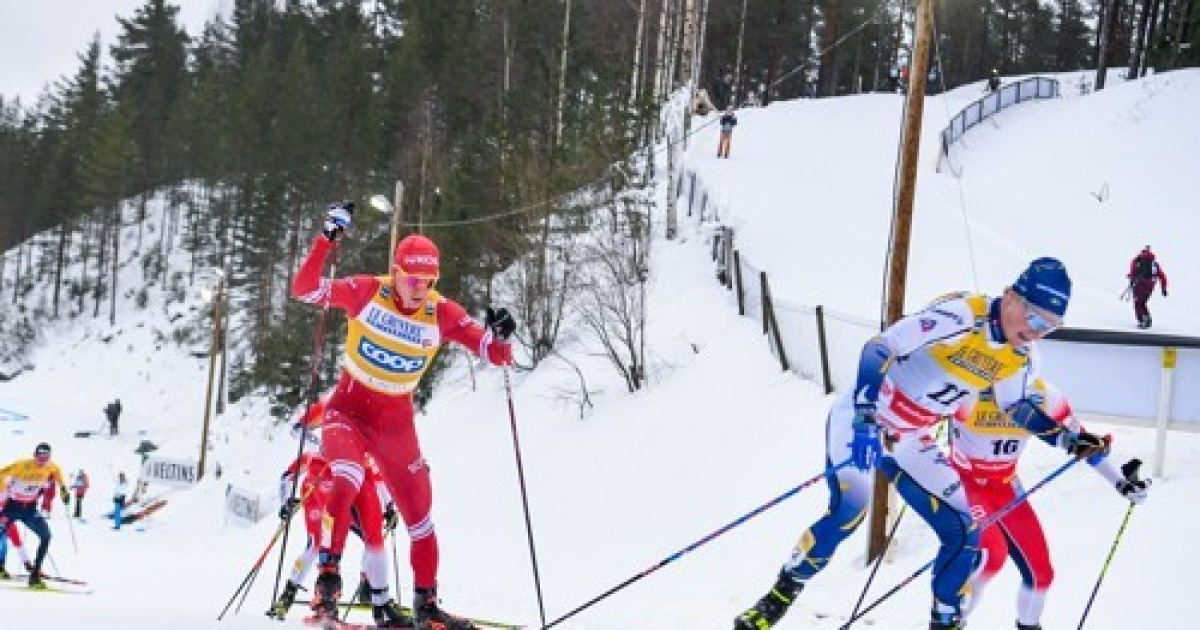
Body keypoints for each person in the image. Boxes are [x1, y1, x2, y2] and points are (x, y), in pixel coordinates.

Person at [734, 257, 1110, 630]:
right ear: (1011, 296)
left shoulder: (1020, 356)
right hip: (866, 417)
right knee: (851, 509)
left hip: (910, 437)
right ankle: (779, 596)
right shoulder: (964, 316)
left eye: (1050, 326)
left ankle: (944, 621)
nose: (1038, 331)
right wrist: (865, 415)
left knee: (965, 526)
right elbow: (880, 347)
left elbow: (1016, 407)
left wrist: (1068, 439)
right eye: (1035, 318)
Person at [290, 201, 516, 628]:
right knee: (347, 476)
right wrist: (326, 240)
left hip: (395, 424)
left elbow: (495, 354)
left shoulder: (441, 312)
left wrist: (502, 335)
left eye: (429, 281)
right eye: (413, 279)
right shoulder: (366, 292)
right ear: (395, 272)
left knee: (420, 515)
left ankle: (426, 607)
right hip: (348, 411)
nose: (420, 289)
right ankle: (327, 585)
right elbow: (304, 289)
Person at [952, 378, 1150, 630]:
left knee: (1041, 575)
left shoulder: (1044, 395)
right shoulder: (970, 387)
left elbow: (1083, 443)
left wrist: (1121, 484)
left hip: (1005, 487)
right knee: (990, 558)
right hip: (965, 483)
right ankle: (950, 620)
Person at [269, 402, 410, 627]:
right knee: (318, 544)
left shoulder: (372, 410)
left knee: (372, 538)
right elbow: (296, 431)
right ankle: (298, 595)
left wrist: (390, 506)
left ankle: (371, 592)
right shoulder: (330, 405)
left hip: (357, 479)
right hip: (322, 483)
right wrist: (286, 501)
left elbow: (379, 472)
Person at [0, 443, 68, 588]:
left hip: (30, 510)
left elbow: (58, 474)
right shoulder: (22, 465)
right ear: (34, 455)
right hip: (12, 507)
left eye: (46, 456)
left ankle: (35, 575)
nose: (42, 460)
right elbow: (2, 473)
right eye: (40, 456)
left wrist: (63, 489)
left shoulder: (51, 466)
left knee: (46, 536)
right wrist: (4, 490)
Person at [1126, 245, 1168, 328]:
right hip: (1150, 286)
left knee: (1138, 303)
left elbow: (1133, 272)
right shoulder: (1154, 264)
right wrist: (1163, 288)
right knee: (1142, 302)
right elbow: (1162, 276)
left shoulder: (1137, 261)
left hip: (1139, 285)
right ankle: (1147, 318)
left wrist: (1131, 279)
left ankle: (1142, 321)